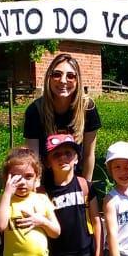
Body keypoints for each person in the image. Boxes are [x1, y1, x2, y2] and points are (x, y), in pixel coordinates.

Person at [23, 52, 101, 182]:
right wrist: (37, 191)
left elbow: (88, 155)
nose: (63, 80)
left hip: (76, 180)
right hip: (45, 180)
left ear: (78, 81)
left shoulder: (87, 108)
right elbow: (33, 159)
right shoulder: (35, 111)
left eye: (70, 76)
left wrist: (86, 190)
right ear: (49, 77)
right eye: (57, 74)